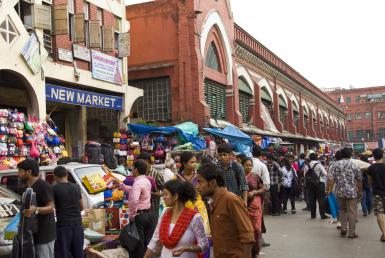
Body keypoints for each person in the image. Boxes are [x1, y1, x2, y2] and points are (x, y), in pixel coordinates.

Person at [198, 163, 255, 258]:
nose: (197, 186)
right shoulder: (213, 203)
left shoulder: (231, 200)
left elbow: (248, 237)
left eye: (200, 182)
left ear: (212, 183)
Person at [144, 180, 209, 258]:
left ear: (175, 196)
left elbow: (204, 245)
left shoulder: (195, 217)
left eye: (166, 194)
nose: (163, 197)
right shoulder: (165, 213)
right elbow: (155, 240)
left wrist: (187, 249)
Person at [116, 159, 157, 257]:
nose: (131, 170)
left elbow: (134, 199)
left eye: (132, 168)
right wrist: (121, 185)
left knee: (138, 245)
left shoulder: (138, 183)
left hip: (140, 216)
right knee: (145, 243)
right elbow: (133, 190)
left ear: (136, 170)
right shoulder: (146, 180)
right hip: (149, 215)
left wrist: (132, 215)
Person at [17, 159, 56, 258]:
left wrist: (36, 209)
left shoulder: (43, 186)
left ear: (29, 172)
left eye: (20, 171)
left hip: (44, 235)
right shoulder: (25, 188)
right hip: (31, 235)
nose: (18, 174)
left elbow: (51, 207)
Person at [327, 147, 362, 238]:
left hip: (339, 191)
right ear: (351, 155)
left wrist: (329, 189)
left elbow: (331, 179)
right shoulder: (354, 165)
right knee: (352, 211)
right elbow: (359, 180)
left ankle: (343, 228)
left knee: (342, 210)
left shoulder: (335, 165)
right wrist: (360, 191)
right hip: (352, 191)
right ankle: (351, 233)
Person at [52, 166, 84, 258]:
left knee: (62, 254)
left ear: (55, 176)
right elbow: (82, 207)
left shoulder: (54, 189)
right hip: (78, 225)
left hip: (63, 226)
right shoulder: (76, 187)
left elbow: (52, 207)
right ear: (67, 175)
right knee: (78, 254)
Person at [242, 158, 265, 258]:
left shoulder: (255, 176)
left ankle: (255, 251)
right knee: (245, 228)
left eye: (250, 165)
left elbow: (263, 188)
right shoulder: (239, 176)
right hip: (243, 205)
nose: (249, 167)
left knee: (256, 228)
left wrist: (254, 192)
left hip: (254, 205)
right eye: (246, 165)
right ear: (242, 165)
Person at [138, 152, 165, 218]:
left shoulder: (156, 174)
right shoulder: (139, 173)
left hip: (153, 205)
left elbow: (165, 189)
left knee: (152, 225)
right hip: (141, 206)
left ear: (146, 161)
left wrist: (159, 194)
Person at [366, 148, 385, 242]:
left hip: (377, 193)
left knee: (379, 213)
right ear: (382, 155)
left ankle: (384, 233)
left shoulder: (371, 168)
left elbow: (369, 183)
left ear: (373, 156)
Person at [304, 153, 328, 219]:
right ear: (316, 158)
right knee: (321, 200)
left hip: (310, 184)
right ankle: (322, 215)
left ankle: (313, 215)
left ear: (310, 158)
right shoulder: (319, 165)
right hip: (319, 183)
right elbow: (325, 173)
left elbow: (305, 176)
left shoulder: (306, 166)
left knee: (312, 199)